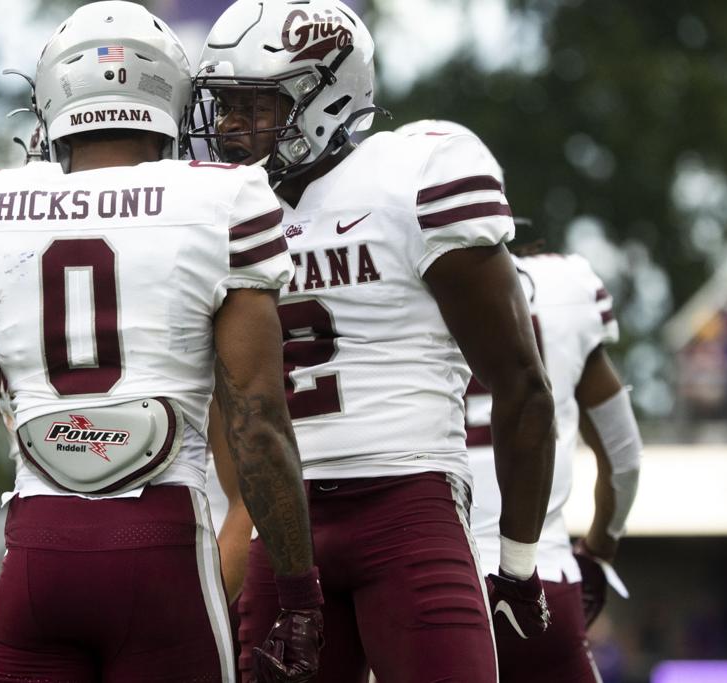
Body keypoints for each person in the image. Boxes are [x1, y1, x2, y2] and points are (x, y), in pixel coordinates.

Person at [0, 3, 323, 682]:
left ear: (53, 101)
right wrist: (300, 597)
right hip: (162, 548)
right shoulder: (225, 198)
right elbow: (259, 424)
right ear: (171, 99)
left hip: (39, 552)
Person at [191, 3, 557, 681]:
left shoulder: (415, 173)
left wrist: (519, 559)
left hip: (407, 504)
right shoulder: (218, 209)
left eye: (257, 106)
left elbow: (521, 381)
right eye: (226, 107)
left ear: (328, 96)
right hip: (285, 520)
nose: (234, 130)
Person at [400, 119, 644, 683]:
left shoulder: (366, 284)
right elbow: (624, 457)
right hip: (538, 576)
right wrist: (599, 554)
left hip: (413, 582)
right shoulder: (567, 287)